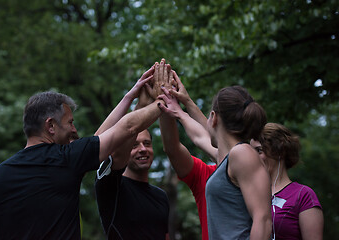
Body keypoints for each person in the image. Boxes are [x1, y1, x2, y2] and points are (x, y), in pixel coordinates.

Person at [0, 66, 166, 239]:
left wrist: (128, 98)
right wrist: (163, 102)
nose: (74, 130)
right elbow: (128, 127)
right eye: (70, 122)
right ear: (51, 125)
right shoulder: (65, 159)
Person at [159, 83, 272, 239]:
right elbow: (200, 137)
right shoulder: (228, 159)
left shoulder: (243, 153)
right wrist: (180, 112)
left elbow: (263, 220)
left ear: (213, 117)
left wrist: (183, 109)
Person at [158, 66, 216, 240]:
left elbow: (210, 139)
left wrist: (181, 108)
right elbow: (172, 148)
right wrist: (165, 101)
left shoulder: (251, 173)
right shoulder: (206, 176)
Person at [250, 123, 324, 240]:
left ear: (279, 151)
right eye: (250, 152)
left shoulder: (303, 195)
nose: (252, 157)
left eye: (259, 151)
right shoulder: (247, 193)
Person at [95, 129, 170, 240]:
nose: (143, 149)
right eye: (134, 145)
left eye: (147, 143)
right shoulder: (111, 186)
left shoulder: (161, 196)